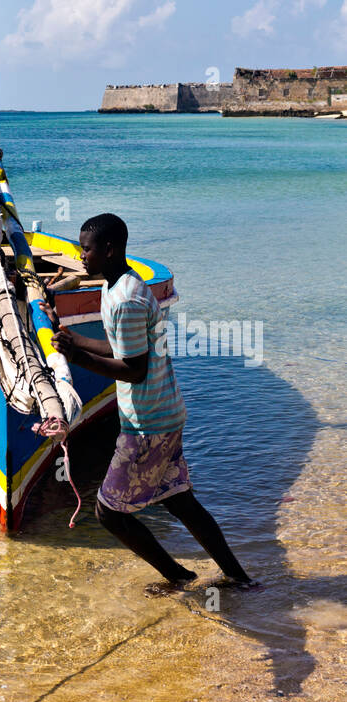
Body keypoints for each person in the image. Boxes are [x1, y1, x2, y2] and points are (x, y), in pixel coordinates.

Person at [45, 212, 256, 596]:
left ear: (109, 250)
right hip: (167, 412)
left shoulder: (125, 299)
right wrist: (74, 341)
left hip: (148, 423)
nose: (81, 257)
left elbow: (133, 369)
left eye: (87, 250)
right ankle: (240, 580)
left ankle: (179, 577)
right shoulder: (120, 285)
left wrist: (76, 359)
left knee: (108, 512)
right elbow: (121, 346)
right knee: (180, 502)